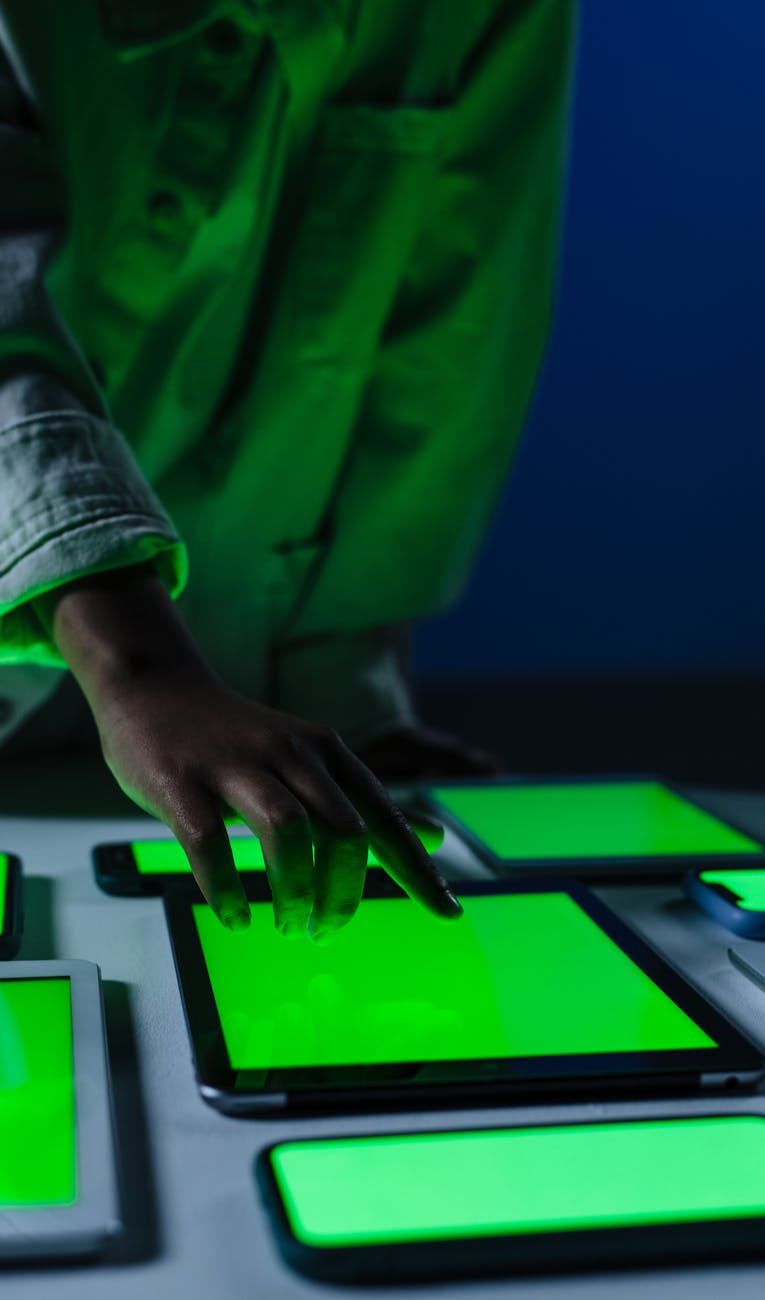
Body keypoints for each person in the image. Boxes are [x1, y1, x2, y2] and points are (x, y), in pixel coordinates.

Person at [0, 0, 575, 939]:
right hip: (147, 685)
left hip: (235, 688)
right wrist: (139, 666)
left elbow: (443, 347)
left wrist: (342, 695)